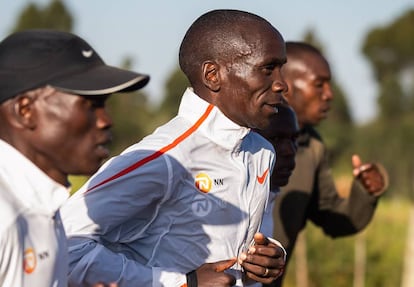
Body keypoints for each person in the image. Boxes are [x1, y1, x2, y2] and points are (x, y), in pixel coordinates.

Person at [61, 9, 287, 287]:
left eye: (281, 68)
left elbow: (247, 245)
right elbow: (65, 244)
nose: (281, 83)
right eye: (267, 69)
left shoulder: (261, 151)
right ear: (213, 75)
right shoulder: (166, 156)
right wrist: (181, 282)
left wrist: (268, 257)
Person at [0, 29, 149, 287]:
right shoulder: (6, 213)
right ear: (25, 111)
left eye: (104, 104)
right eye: (90, 105)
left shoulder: (41, 202)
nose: (106, 120)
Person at [268, 41, 388, 286]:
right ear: (285, 86)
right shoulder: (243, 137)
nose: (329, 94)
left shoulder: (313, 147)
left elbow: (332, 218)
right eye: (319, 84)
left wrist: (365, 192)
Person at [255, 103, 299, 238]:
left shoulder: (270, 199)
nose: (290, 150)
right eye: (276, 139)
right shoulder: (229, 206)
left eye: (294, 139)